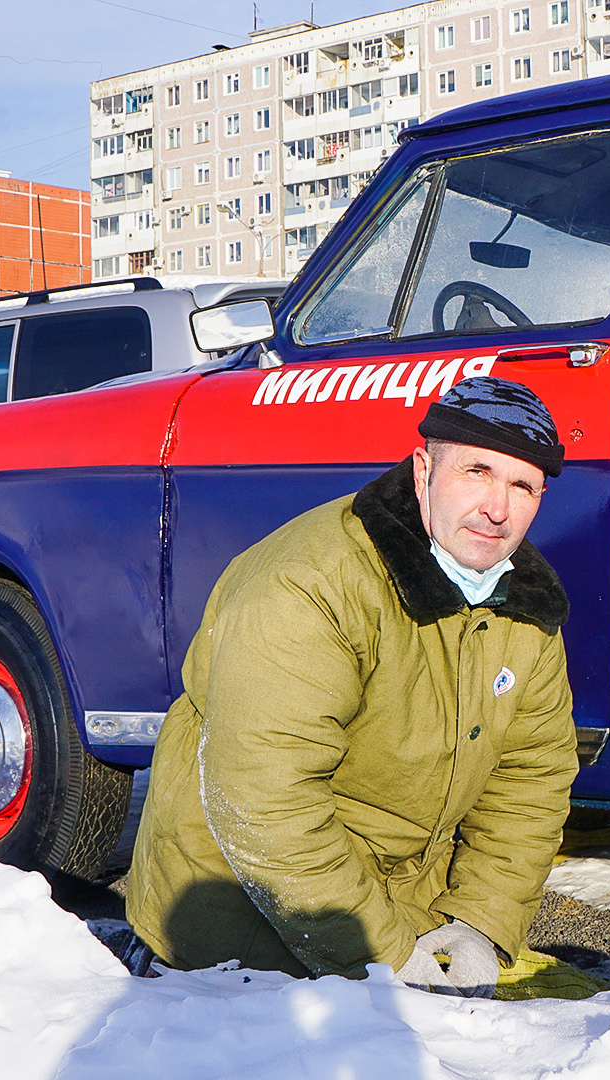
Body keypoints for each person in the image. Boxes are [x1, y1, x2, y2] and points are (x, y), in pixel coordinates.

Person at [123, 376, 576, 997]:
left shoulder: (524, 609)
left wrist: (480, 921)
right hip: (241, 941)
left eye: (521, 485)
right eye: (475, 472)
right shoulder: (311, 585)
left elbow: (530, 783)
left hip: (403, 927)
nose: (497, 508)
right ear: (423, 470)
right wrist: (385, 956)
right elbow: (267, 800)